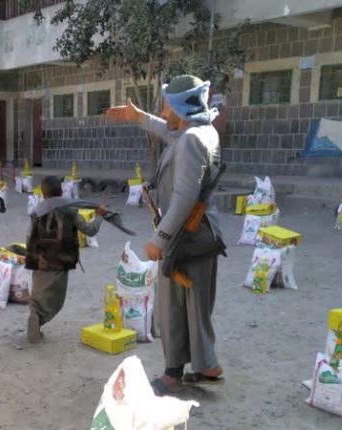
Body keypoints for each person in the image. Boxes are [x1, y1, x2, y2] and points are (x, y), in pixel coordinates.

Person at [106, 74, 224, 395]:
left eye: (167, 105)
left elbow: (184, 196)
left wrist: (160, 238)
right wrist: (139, 117)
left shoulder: (190, 140)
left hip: (184, 236)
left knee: (172, 306)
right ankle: (207, 366)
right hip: (201, 234)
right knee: (197, 305)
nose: (163, 111)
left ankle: (172, 374)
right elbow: (170, 132)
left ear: (180, 108)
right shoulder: (202, 132)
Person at [24, 175, 105, 343]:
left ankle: (34, 316)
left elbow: (29, 237)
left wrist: (32, 256)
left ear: (43, 194)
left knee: (37, 296)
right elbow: (90, 230)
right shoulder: (70, 210)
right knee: (56, 300)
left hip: (39, 261)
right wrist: (99, 216)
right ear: (61, 191)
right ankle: (38, 320)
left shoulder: (36, 212)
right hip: (60, 262)